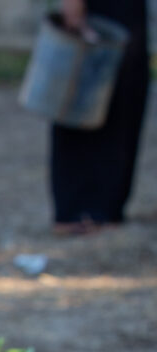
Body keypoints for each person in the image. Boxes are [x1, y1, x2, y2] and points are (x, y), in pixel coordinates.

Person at [51, 0, 150, 233]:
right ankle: (77, 212)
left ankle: (108, 209)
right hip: (99, 9)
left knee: (126, 100)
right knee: (84, 99)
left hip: (128, 12)